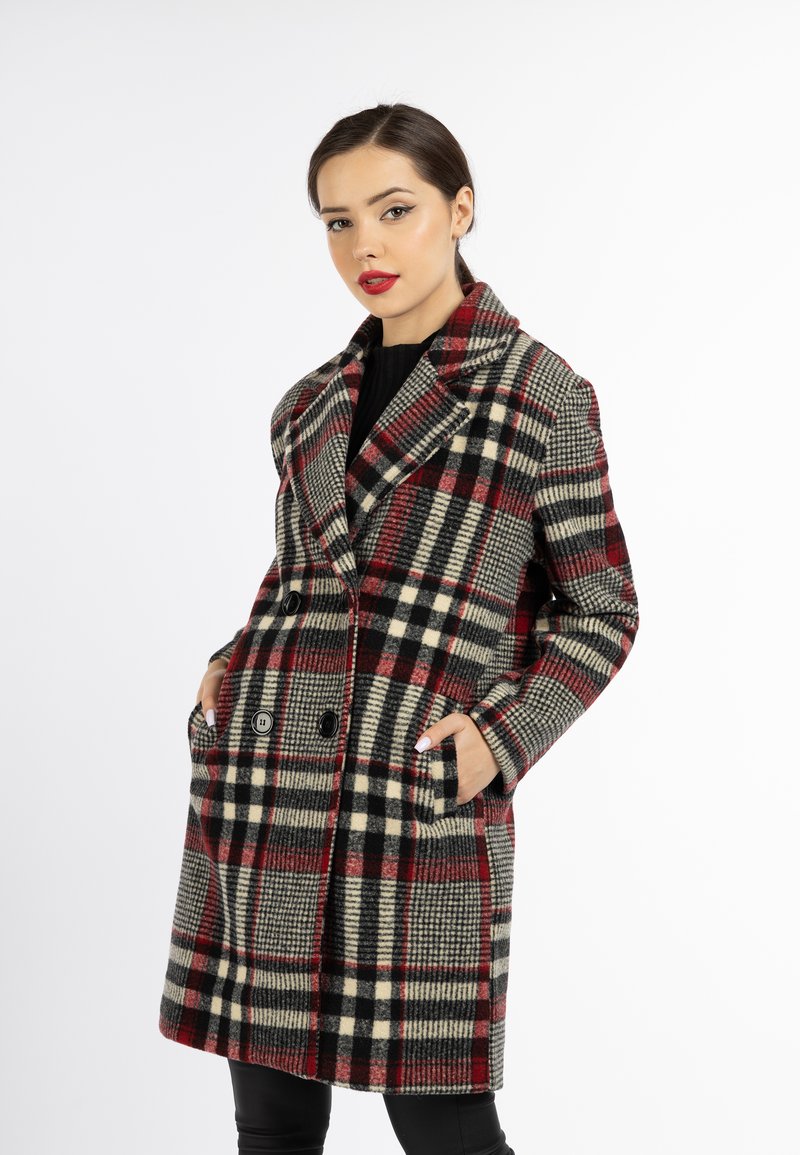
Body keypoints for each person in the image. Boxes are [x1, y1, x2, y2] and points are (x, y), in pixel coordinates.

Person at [158, 102, 639, 1155]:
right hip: (270, 783)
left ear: (459, 210)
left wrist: (498, 740)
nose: (363, 247)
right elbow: (303, 577)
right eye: (337, 222)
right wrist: (232, 660)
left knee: (444, 1126)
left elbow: (601, 610)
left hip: (411, 792)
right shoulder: (306, 404)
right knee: (271, 1124)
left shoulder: (539, 393)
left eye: (393, 210)